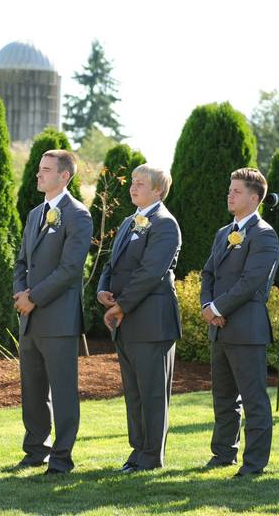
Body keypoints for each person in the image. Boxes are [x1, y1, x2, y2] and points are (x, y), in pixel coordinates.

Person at [97, 164, 181, 472]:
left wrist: (121, 306)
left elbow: (150, 273)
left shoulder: (165, 224)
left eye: (140, 183)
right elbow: (111, 263)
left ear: (158, 190)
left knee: (152, 392)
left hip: (151, 320)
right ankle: (137, 451)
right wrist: (103, 290)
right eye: (132, 182)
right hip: (126, 319)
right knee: (134, 393)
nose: (133, 187)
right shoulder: (128, 222)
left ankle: (151, 457)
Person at [12, 150, 92, 474]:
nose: (38, 175)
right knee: (32, 389)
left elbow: (70, 269)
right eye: (38, 169)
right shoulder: (34, 214)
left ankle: (62, 457)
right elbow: (22, 262)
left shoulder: (78, 215)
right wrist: (21, 294)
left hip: (58, 319)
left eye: (45, 170)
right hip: (29, 319)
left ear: (64, 176)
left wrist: (35, 297)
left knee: (62, 392)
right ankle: (35, 450)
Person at [201, 167, 279, 477]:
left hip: (246, 328)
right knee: (222, 397)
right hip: (218, 329)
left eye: (236, 191)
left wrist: (219, 306)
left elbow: (251, 281)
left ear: (255, 197)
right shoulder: (223, 233)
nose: (229, 194)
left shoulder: (264, 234)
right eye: (229, 189)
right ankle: (223, 454)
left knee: (253, 399)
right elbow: (208, 273)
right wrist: (208, 306)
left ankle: (254, 463)